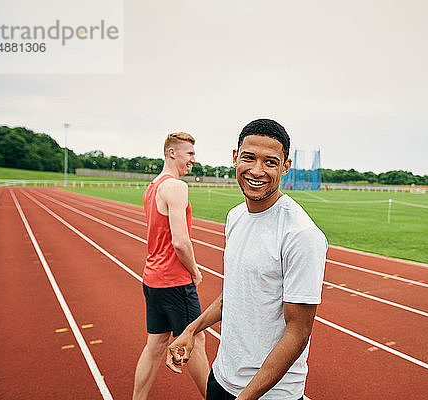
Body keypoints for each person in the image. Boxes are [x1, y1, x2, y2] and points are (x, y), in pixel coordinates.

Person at [166, 119, 328, 400]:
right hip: (221, 379)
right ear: (234, 158)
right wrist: (191, 331)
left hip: (270, 395)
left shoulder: (301, 234)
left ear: (285, 167)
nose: (257, 170)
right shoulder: (235, 217)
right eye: (249, 158)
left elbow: (298, 333)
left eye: (270, 162)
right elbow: (232, 296)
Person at [133, 132, 209, 400]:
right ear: (172, 153)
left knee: (155, 346)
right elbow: (180, 242)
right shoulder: (176, 187)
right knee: (196, 341)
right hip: (175, 281)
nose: (193, 160)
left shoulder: (153, 186)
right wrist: (195, 271)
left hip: (152, 279)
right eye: (189, 154)